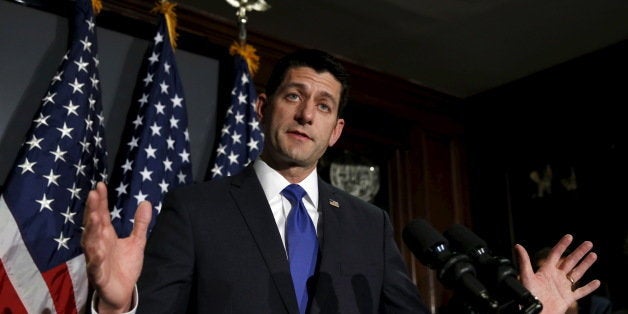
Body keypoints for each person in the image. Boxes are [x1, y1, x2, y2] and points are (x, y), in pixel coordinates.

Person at [82, 49, 602, 313]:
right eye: (293, 96)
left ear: (336, 132)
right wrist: (116, 303)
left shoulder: (368, 224)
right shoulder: (197, 209)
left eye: (324, 106)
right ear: (263, 109)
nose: (307, 114)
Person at [534, 247, 612, 314]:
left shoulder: (598, 306)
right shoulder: (528, 307)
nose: (555, 281)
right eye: (547, 275)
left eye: (563, 274)